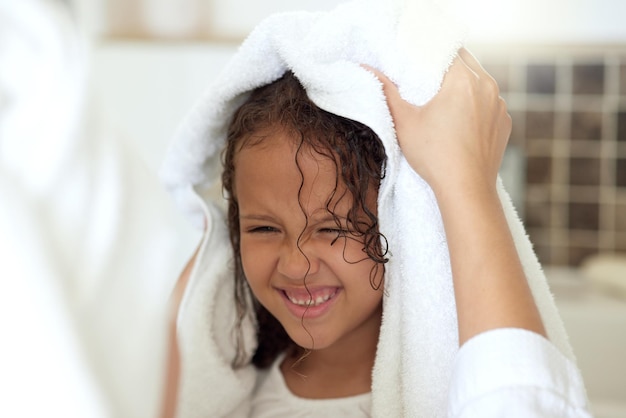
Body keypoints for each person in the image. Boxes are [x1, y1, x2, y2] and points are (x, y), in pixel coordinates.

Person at [162, 49, 591, 417]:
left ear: (401, 221)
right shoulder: (230, 393)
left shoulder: (452, 395)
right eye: (263, 227)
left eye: (332, 227)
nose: (295, 264)